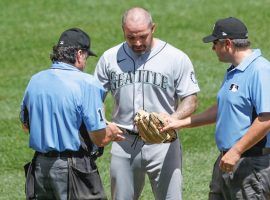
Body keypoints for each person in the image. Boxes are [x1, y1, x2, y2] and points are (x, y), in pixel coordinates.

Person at [94, 7, 200, 200]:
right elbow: (94, 98)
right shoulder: (109, 58)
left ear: (153, 28)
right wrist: (103, 123)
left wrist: (173, 119)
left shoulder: (176, 58)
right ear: (123, 31)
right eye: (131, 37)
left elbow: (191, 100)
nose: (137, 43)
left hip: (164, 143)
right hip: (124, 142)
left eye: (143, 36)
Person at [162, 17, 270, 199]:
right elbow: (222, 109)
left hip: (251, 164)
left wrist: (236, 151)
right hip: (227, 161)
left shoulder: (260, 70)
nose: (213, 49)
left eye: (214, 44)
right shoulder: (234, 70)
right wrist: (179, 122)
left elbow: (266, 118)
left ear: (227, 43)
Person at [20, 28, 125, 200]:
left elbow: (26, 125)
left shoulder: (35, 80)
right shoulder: (88, 84)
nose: (85, 62)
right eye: (86, 56)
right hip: (73, 168)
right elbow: (99, 138)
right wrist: (111, 132)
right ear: (78, 54)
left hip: (40, 166)